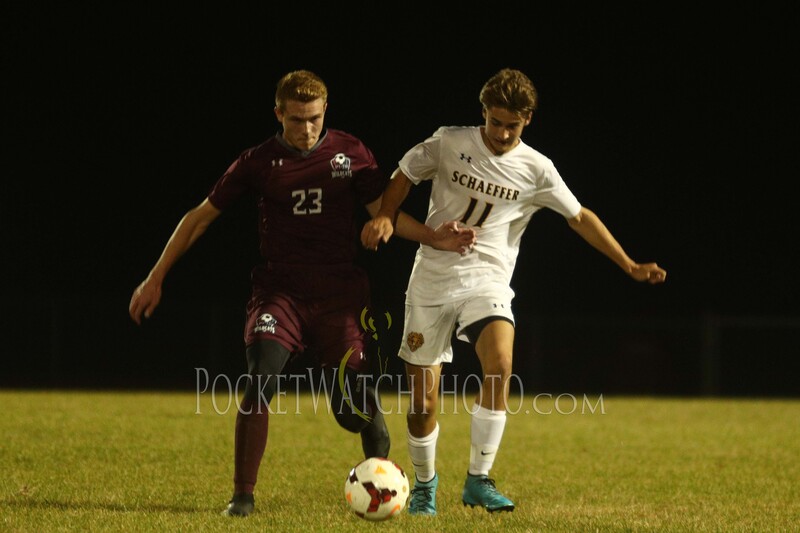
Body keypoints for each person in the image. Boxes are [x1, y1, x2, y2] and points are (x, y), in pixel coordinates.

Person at [128, 70, 476, 518]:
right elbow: (199, 217)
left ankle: (384, 485)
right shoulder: (257, 161)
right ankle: (242, 498)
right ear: (278, 113)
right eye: (296, 120)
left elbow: (384, 212)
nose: (306, 129)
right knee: (259, 379)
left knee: (354, 409)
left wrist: (433, 237)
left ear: (324, 110)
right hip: (281, 292)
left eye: (313, 118)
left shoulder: (351, 153)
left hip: (340, 296)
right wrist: (156, 277)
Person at [361, 67, 667, 515]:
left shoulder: (537, 168)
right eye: (496, 122)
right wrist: (387, 214)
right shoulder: (449, 142)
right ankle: (425, 486)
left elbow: (578, 216)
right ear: (483, 112)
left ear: (528, 120)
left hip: (488, 279)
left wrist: (629, 264)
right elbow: (404, 174)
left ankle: (478, 480)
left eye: (513, 125)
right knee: (423, 405)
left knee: (501, 362)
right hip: (431, 280)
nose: (503, 133)